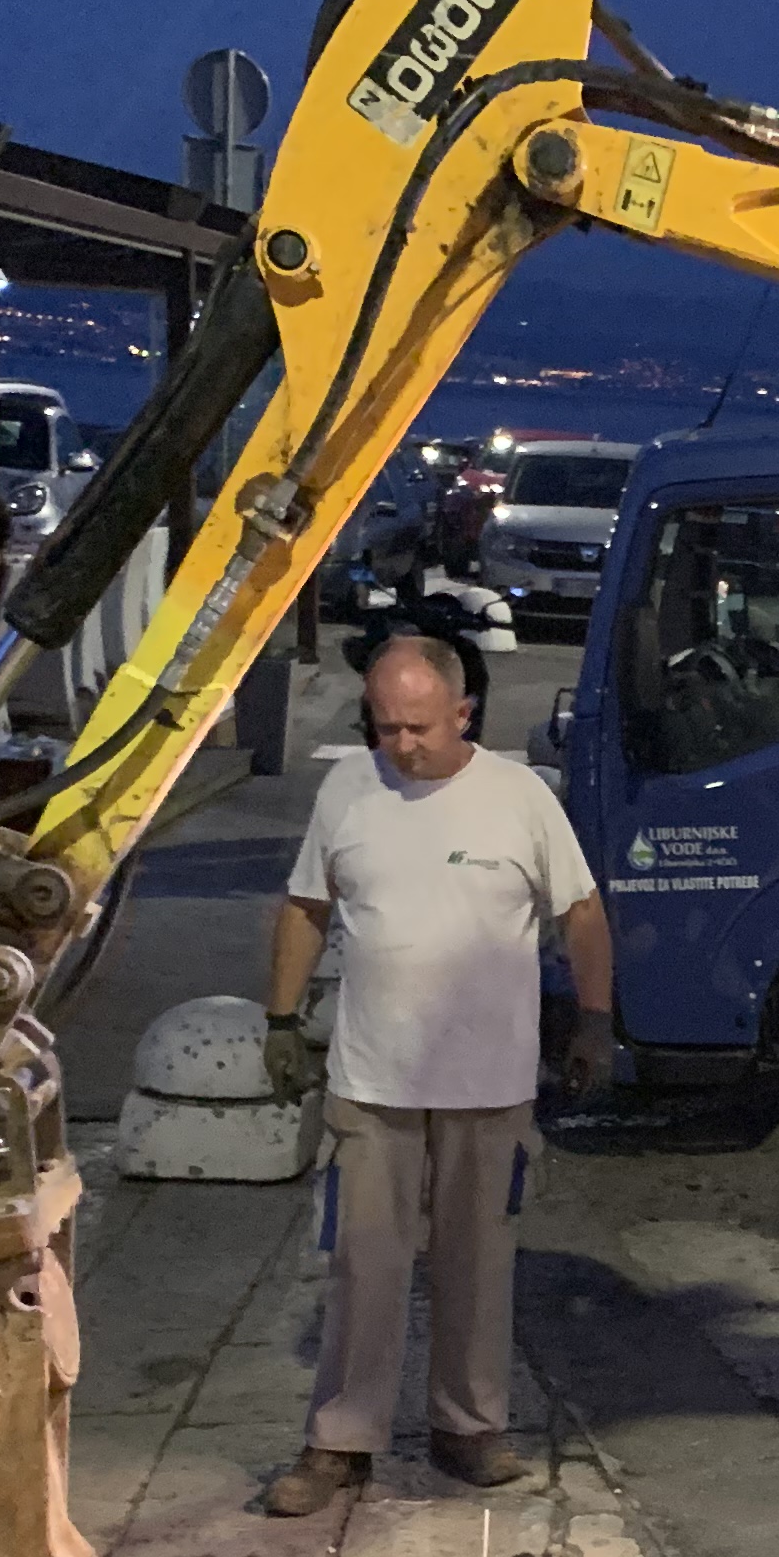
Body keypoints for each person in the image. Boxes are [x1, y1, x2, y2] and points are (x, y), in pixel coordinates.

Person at [261, 636, 611, 1510]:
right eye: (385, 727)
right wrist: (278, 1016)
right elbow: (308, 907)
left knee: (478, 1263)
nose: (402, 746)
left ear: (463, 714)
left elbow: (582, 912)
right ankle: (339, 1443)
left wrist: (596, 1024)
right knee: (363, 1264)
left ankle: (468, 1427)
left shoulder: (521, 797)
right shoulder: (349, 788)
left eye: (418, 727)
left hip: (489, 1084)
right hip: (373, 1081)